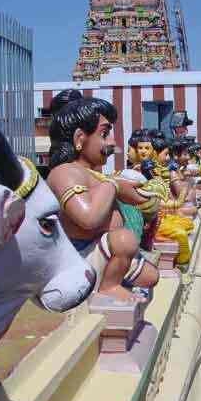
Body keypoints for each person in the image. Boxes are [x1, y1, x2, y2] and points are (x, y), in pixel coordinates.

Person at [47, 90, 159, 302]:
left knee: (151, 275)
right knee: (125, 240)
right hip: (79, 255)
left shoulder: (93, 174)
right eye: (104, 133)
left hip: (106, 250)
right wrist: (114, 186)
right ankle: (109, 287)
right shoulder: (65, 173)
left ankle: (114, 276)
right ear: (80, 138)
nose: (112, 142)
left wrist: (143, 199)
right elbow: (88, 218)